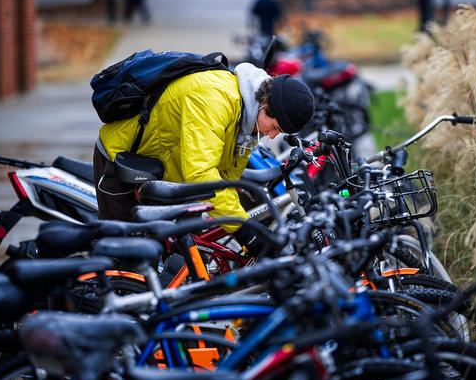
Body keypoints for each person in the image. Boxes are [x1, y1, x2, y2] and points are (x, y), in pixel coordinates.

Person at [93, 62, 315, 256]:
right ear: (265, 107)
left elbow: (226, 179)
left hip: (167, 175)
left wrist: (243, 222)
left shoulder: (247, 121)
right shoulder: (214, 99)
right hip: (121, 162)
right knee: (133, 257)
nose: (273, 136)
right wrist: (244, 228)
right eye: (275, 127)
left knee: (186, 255)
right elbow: (202, 175)